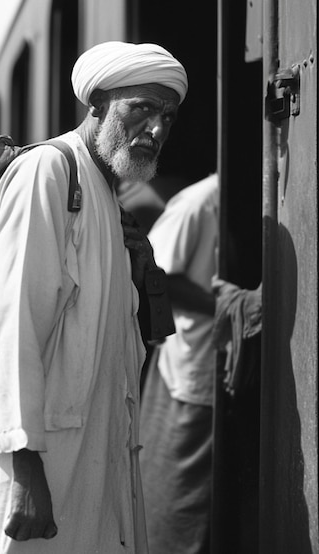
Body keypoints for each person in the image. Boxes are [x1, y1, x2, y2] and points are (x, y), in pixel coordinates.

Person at [0, 41, 188, 553]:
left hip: (94, 453)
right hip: (42, 457)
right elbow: (10, 321)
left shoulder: (105, 189)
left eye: (166, 117)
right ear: (99, 104)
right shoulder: (49, 171)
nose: (155, 129)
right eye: (141, 109)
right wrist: (24, 468)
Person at [139, 173, 261, 554]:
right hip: (190, 371)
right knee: (178, 500)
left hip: (214, 369)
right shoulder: (199, 204)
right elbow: (156, 272)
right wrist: (233, 304)